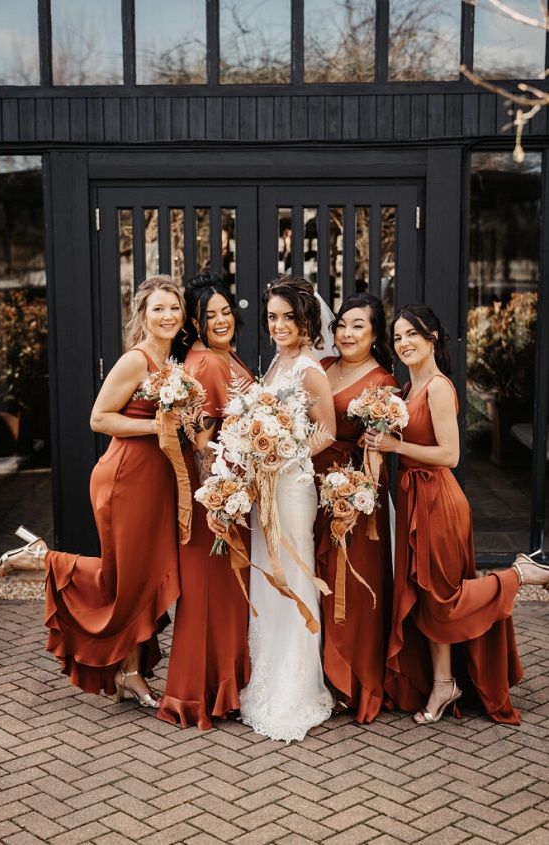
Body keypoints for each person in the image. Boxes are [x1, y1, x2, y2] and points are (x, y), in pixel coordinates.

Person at [0, 275, 186, 707]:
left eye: (174, 307)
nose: (167, 315)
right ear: (142, 314)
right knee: (126, 580)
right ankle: (45, 561)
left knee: (138, 581)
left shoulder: (169, 361)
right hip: (126, 480)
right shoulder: (136, 360)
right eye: (158, 308)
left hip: (154, 481)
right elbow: (99, 418)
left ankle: (130, 673)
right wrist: (156, 426)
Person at [365, 304, 549, 725]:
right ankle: (444, 683)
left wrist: (396, 447)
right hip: (413, 497)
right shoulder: (407, 389)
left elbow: (450, 454)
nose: (403, 343)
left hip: (438, 501)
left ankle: (518, 574)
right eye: (397, 337)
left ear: (433, 338)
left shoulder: (438, 389)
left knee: (444, 598)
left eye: (412, 333)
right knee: (428, 599)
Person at [238, 275, 336, 742]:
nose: (278, 325)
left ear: (306, 321)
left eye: (288, 318)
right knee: (268, 573)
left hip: (293, 488)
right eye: (273, 317)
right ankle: (266, 675)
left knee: (293, 573)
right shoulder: (278, 362)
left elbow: (328, 432)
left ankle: (295, 688)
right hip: (267, 488)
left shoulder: (310, 370)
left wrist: (284, 456)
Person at [158, 270, 253, 730]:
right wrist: (223, 494)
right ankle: (202, 693)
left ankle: (214, 690)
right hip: (219, 496)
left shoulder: (219, 356)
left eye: (225, 311)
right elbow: (203, 440)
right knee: (213, 596)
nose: (221, 320)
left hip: (224, 493)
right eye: (209, 314)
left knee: (218, 596)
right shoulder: (209, 364)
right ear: (193, 323)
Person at [315, 293, 397, 723]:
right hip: (310, 485)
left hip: (353, 490)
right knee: (317, 580)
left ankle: (354, 680)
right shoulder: (323, 368)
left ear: (375, 334)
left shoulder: (382, 383)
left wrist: (356, 497)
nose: (346, 333)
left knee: (350, 580)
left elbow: (376, 451)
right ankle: (321, 676)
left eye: (358, 326)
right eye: (342, 324)